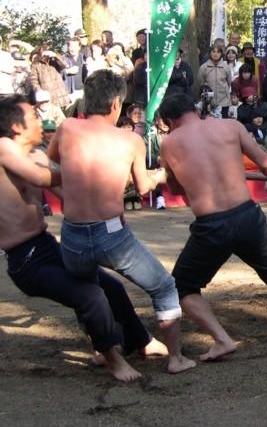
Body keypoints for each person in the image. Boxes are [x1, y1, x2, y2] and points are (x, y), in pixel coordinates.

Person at [0, 95, 167, 382]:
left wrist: (104, 207)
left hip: (46, 246)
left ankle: (141, 340)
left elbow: (70, 194)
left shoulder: (37, 156)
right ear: (16, 127)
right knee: (90, 296)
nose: (42, 122)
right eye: (34, 117)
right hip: (24, 259)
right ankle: (112, 359)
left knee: (110, 287)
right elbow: (44, 180)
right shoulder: (3, 149)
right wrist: (91, 169)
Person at [48, 70, 195, 373]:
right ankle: (177, 358)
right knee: (164, 287)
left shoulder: (67, 129)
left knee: (87, 291)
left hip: (73, 234)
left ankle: (104, 350)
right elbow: (142, 188)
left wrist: (69, 195)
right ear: (117, 104)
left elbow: (51, 168)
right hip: (111, 235)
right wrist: (162, 175)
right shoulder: (131, 140)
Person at [157, 93, 267, 359]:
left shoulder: (169, 144)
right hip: (248, 217)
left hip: (211, 226)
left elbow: (176, 188)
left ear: (168, 121)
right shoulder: (230, 126)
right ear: (194, 109)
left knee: (183, 287)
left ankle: (222, 339)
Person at [194, 45, 231, 118]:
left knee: (223, 123)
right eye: (213, 52)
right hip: (208, 101)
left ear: (221, 54)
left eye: (218, 52)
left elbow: (229, 82)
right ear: (210, 53)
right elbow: (201, 83)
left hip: (223, 100)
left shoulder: (225, 67)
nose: (215, 54)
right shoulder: (204, 67)